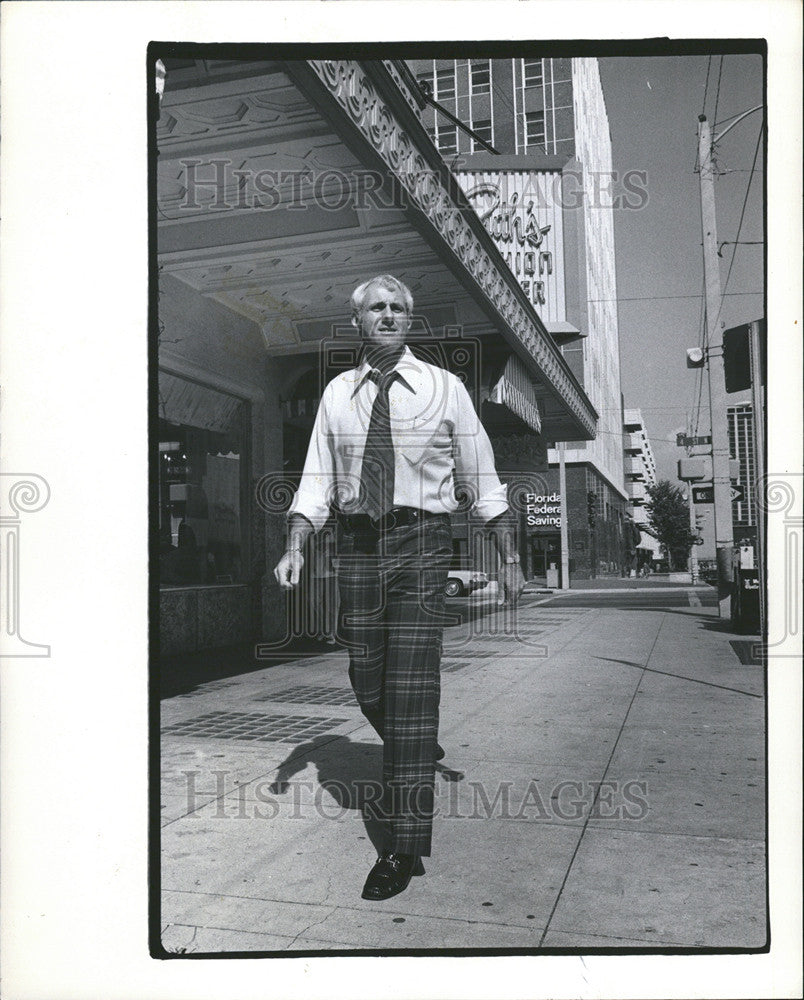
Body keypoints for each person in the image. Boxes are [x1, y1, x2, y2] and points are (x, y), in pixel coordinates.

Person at [274, 274, 525, 901]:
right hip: (357, 543)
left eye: (397, 309)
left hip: (422, 542)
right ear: (358, 322)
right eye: (375, 309)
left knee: (413, 689)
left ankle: (403, 846)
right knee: (366, 672)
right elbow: (315, 479)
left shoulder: (445, 389)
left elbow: (483, 476)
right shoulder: (337, 395)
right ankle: (414, 739)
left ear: (409, 321)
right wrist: (296, 546)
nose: (387, 316)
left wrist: (510, 558)